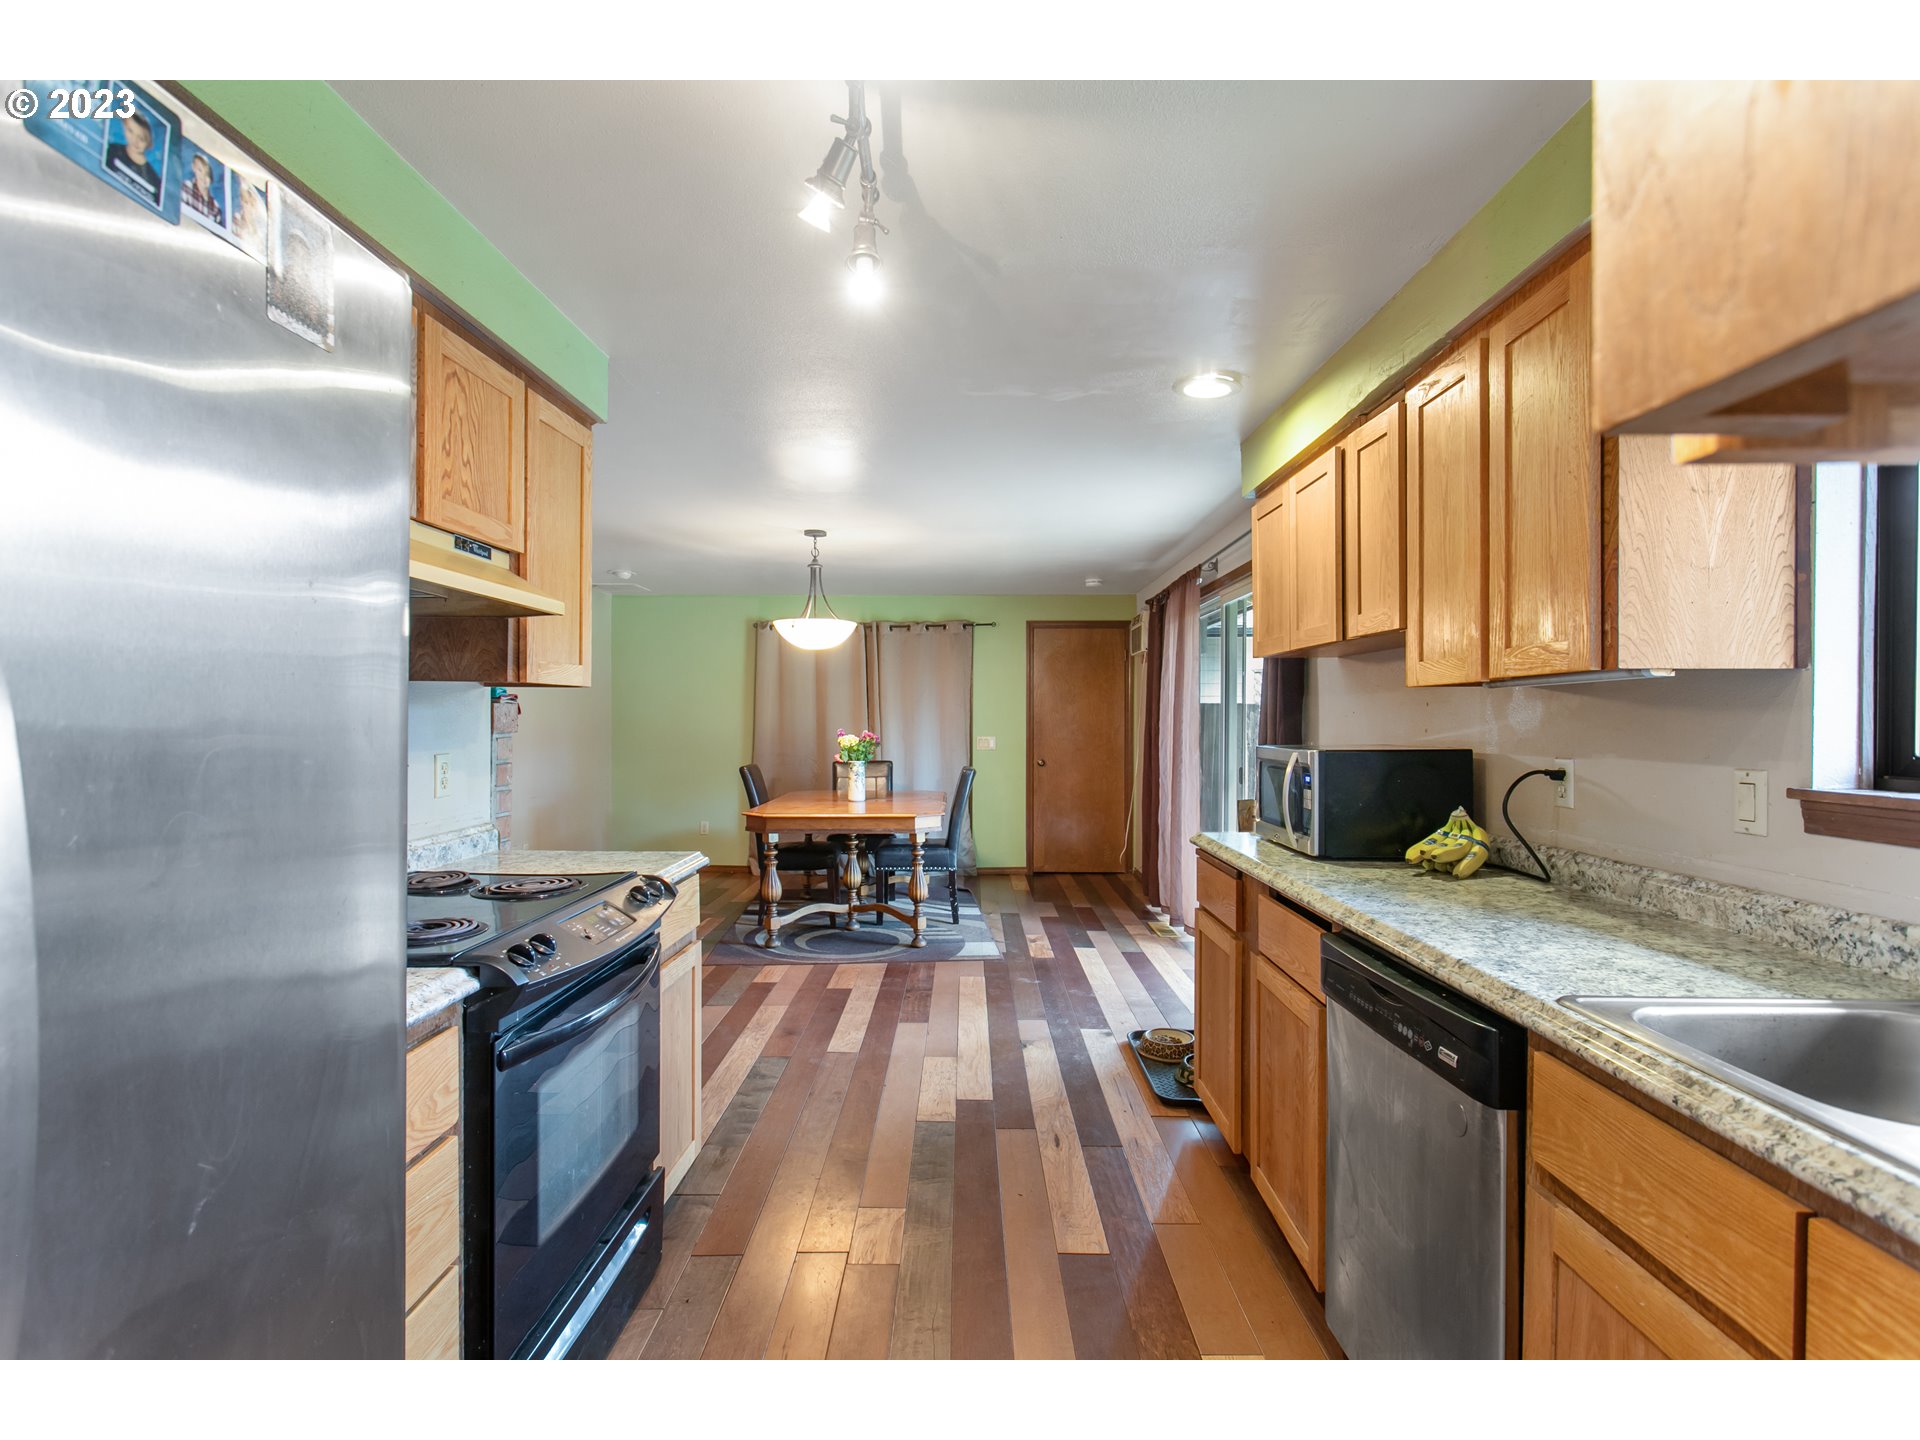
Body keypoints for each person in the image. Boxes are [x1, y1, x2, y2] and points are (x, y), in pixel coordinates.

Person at [105, 112, 161, 204]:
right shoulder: (111, 150)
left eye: (141, 138)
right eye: (131, 131)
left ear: (149, 142)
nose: (135, 141)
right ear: (124, 128)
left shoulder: (155, 181)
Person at [181, 151, 223, 225]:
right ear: (194, 169)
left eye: (207, 174)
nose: (203, 177)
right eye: (200, 170)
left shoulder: (215, 207)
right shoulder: (186, 188)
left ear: (211, 179)